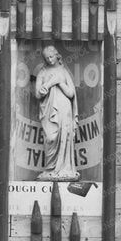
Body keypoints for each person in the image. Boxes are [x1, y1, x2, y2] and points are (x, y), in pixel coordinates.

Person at [34, 45, 79, 180]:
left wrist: (59, 82)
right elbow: (37, 94)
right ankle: (50, 169)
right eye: (47, 58)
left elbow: (71, 94)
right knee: (51, 138)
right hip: (48, 110)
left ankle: (65, 169)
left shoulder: (63, 71)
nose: (49, 60)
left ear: (56, 55)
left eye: (51, 56)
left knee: (64, 136)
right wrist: (44, 89)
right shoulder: (42, 72)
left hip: (64, 109)